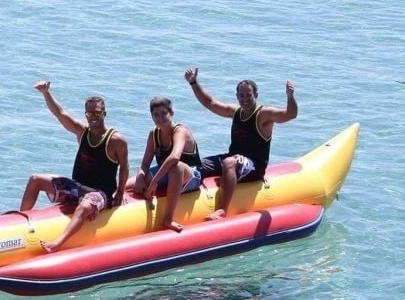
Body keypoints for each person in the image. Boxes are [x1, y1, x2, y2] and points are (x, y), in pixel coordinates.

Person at [18, 81, 129, 253]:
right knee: (35, 180)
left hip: (100, 192)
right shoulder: (82, 132)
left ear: (104, 113)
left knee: (86, 205)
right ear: (86, 115)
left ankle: (58, 243)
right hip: (77, 188)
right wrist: (46, 93)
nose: (93, 117)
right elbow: (60, 113)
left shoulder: (116, 140)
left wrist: (120, 192)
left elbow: (124, 167)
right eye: (89, 113)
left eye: (97, 113)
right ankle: (20, 224)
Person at [184, 68, 297, 221]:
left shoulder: (264, 115)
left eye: (248, 95)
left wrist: (290, 97)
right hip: (234, 158)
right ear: (237, 96)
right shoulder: (235, 112)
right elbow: (209, 102)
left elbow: (290, 115)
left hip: (254, 166)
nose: (245, 99)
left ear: (256, 95)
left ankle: (222, 210)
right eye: (241, 95)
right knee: (198, 164)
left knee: (229, 162)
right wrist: (193, 82)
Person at [131, 96, 203, 233]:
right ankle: (113, 198)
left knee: (176, 167)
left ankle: (168, 218)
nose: (160, 118)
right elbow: (145, 163)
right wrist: (140, 176)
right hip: (166, 173)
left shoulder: (179, 131)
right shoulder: (154, 134)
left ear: (171, 113)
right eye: (156, 115)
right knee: (134, 182)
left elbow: (174, 158)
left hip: (190, 175)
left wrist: (153, 182)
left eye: (164, 113)